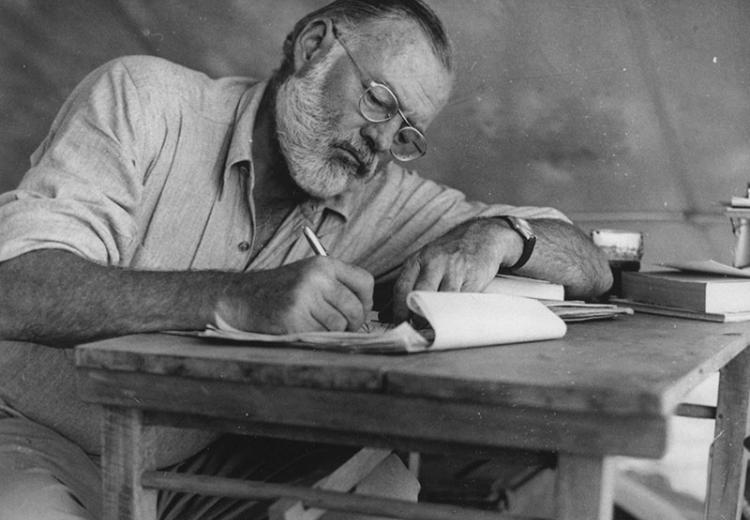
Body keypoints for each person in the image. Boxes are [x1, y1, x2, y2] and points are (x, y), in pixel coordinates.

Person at [0, 0, 612, 518]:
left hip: (190, 457)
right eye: (378, 100)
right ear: (313, 45)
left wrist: (501, 234)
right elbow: (17, 288)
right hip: (34, 431)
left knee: (383, 496)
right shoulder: (143, 99)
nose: (380, 141)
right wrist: (237, 299)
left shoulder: (375, 193)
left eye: (406, 134)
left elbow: (592, 265)